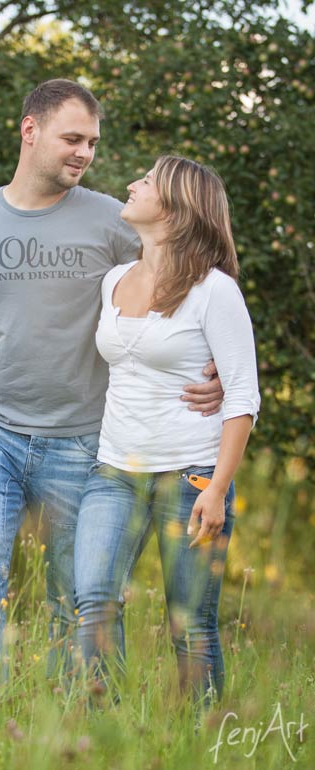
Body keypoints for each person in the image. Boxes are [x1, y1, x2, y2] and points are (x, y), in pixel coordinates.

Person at [0, 80, 223, 706]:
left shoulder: (114, 218)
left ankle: (78, 726)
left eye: (93, 143)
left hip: (85, 441)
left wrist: (213, 364)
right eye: (72, 139)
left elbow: (194, 278)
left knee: (77, 598)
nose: (85, 153)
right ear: (30, 130)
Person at [74, 155, 260, 708]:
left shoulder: (214, 290)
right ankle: (98, 733)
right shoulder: (113, 281)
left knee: (190, 624)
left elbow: (243, 396)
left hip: (191, 477)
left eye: (147, 181)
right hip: (114, 471)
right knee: (95, 603)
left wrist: (219, 489)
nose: (132, 184)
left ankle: (204, 741)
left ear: (177, 209)